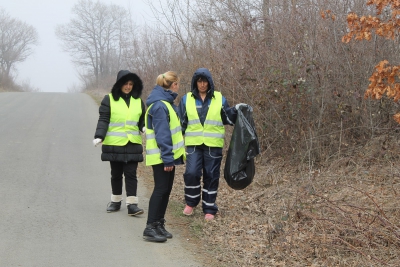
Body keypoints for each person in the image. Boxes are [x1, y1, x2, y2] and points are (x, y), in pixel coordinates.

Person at [179, 67, 245, 221]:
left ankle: (209, 208)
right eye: (199, 81)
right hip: (194, 144)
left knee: (211, 175)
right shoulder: (186, 99)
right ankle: (191, 202)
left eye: (205, 81)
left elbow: (227, 118)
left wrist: (239, 110)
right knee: (191, 173)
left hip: (213, 145)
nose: (202, 84)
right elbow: (181, 123)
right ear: (195, 82)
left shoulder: (219, 99)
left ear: (210, 82)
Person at [93, 70, 145, 216]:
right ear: (119, 84)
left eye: (130, 84)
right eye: (125, 84)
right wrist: (99, 136)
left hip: (132, 143)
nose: (128, 87)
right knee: (116, 174)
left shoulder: (138, 101)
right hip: (114, 143)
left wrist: (144, 127)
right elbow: (104, 119)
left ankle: (132, 205)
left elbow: (142, 120)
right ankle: (115, 201)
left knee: (131, 174)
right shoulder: (109, 99)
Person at [142, 71, 185, 243]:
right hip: (162, 157)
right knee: (160, 189)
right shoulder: (160, 105)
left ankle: (159, 223)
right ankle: (150, 226)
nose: (178, 87)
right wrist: (167, 157)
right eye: (177, 84)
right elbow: (163, 134)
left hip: (168, 156)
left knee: (166, 190)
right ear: (173, 85)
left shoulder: (166, 103)